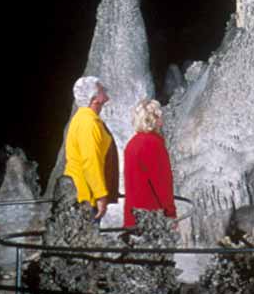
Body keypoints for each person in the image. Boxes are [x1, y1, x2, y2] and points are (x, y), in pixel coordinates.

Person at [63, 76, 117, 220]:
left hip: (82, 193)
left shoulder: (85, 119)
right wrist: (100, 195)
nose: (105, 90)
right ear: (94, 98)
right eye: (101, 89)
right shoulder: (88, 123)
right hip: (85, 196)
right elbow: (91, 161)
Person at [122, 98, 177, 227]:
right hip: (152, 215)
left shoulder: (132, 143)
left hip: (133, 213)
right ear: (152, 119)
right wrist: (170, 213)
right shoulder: (153, 144)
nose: (162, 120)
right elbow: (162, 183)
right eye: (159, 116)